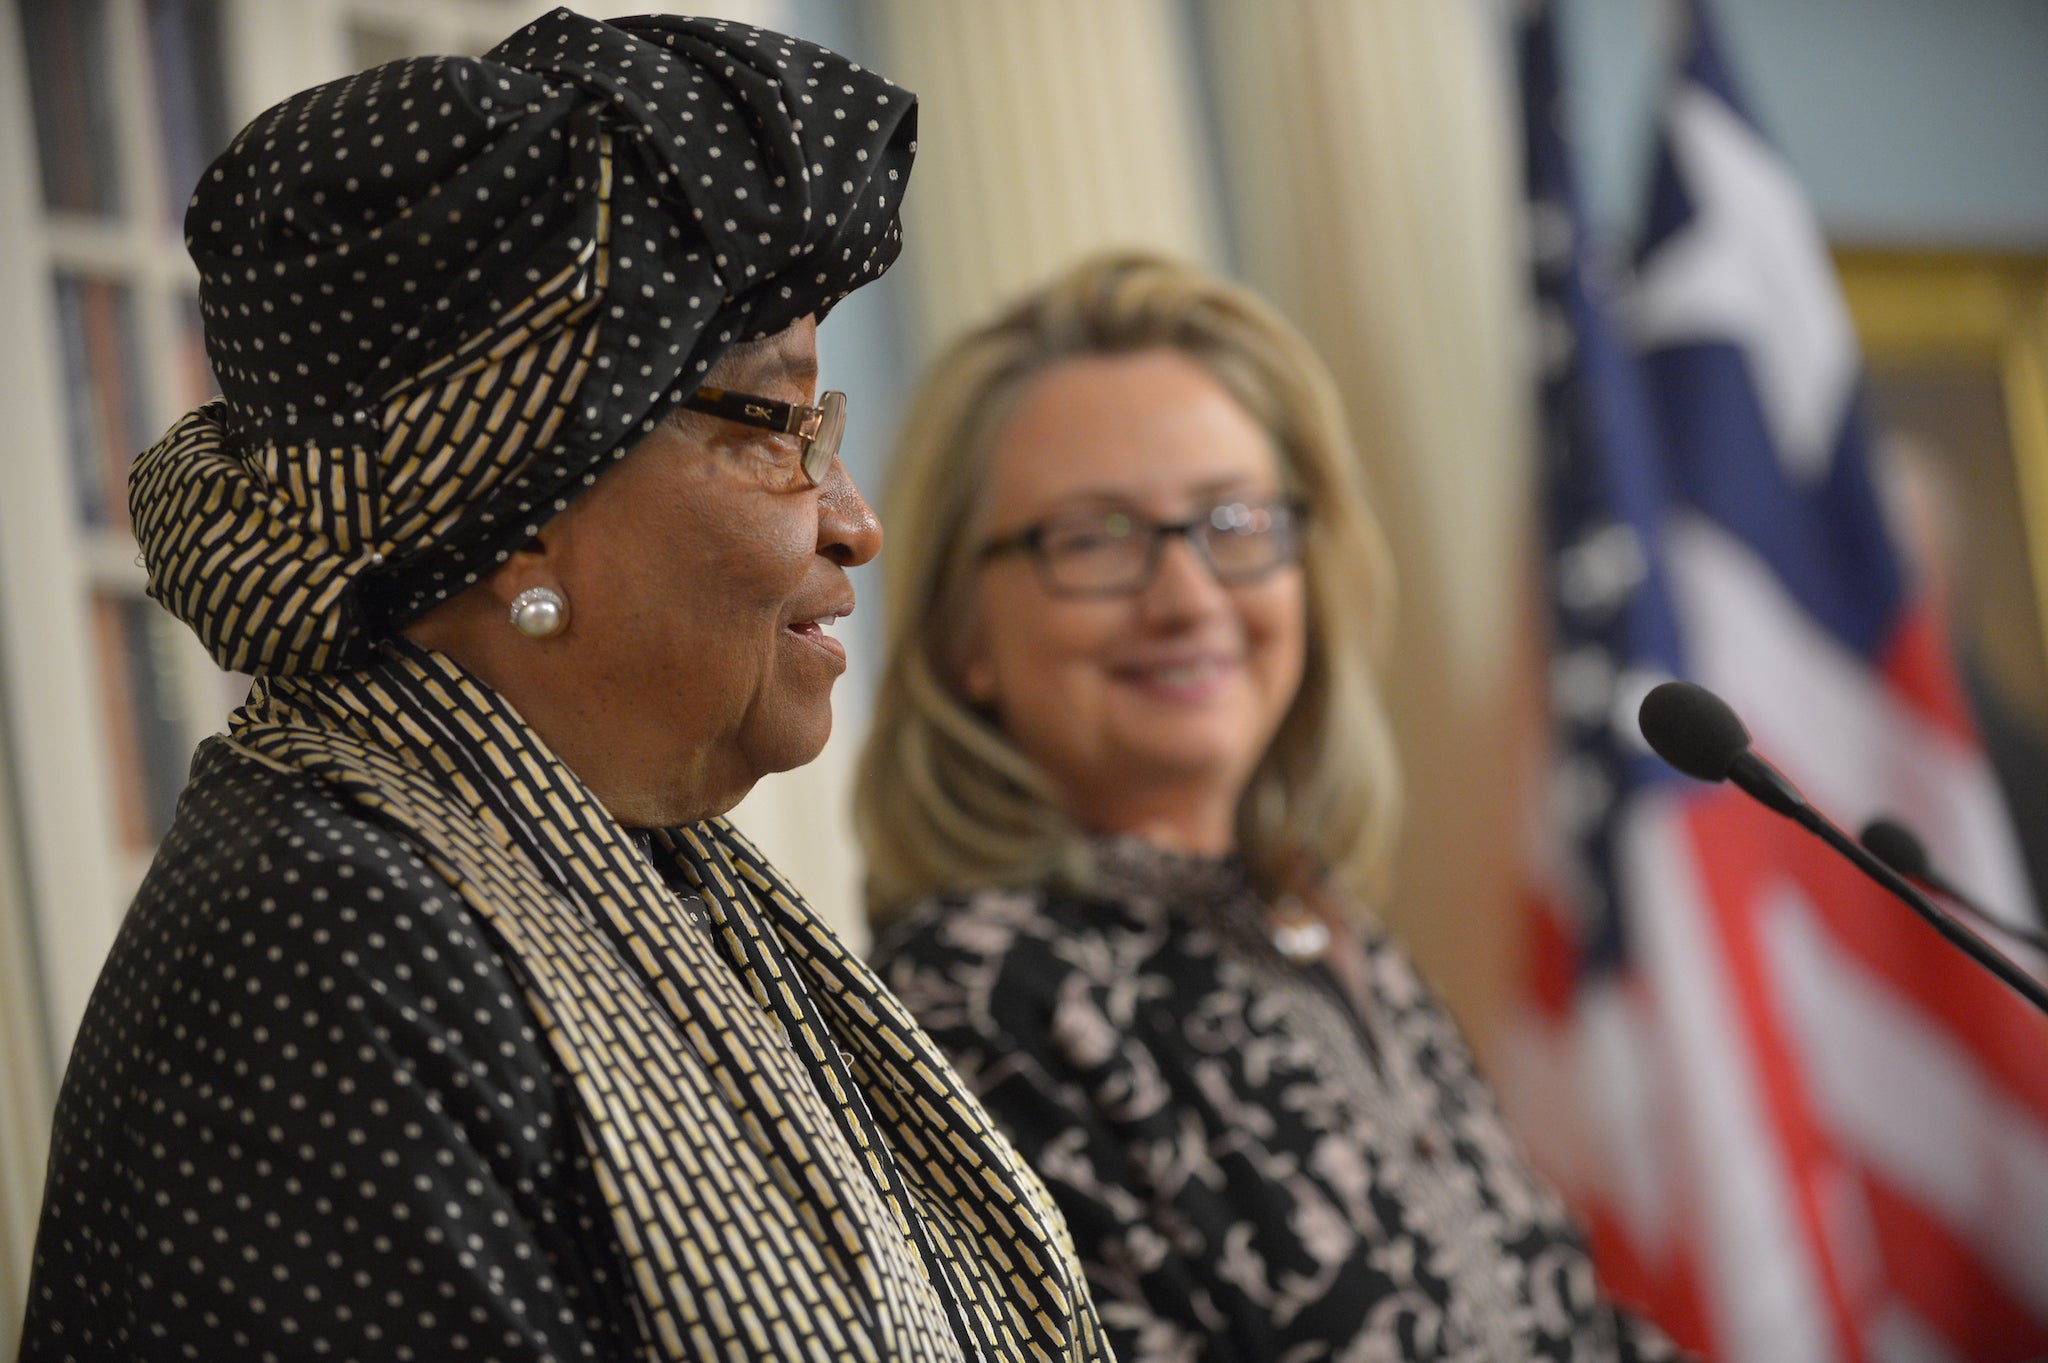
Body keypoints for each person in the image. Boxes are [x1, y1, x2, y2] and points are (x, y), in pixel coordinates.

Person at [19, 12, 1106, 1362]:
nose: (855, 520)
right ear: (517, 506)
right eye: (775, 424)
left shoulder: (616, 861)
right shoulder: (326, 952)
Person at [857, 253, 1687, 1362]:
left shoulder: (1326, 928)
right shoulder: (968, 996)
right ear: (963, 633)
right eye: (1093, 539)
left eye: (1233, 520)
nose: (1188, 596)